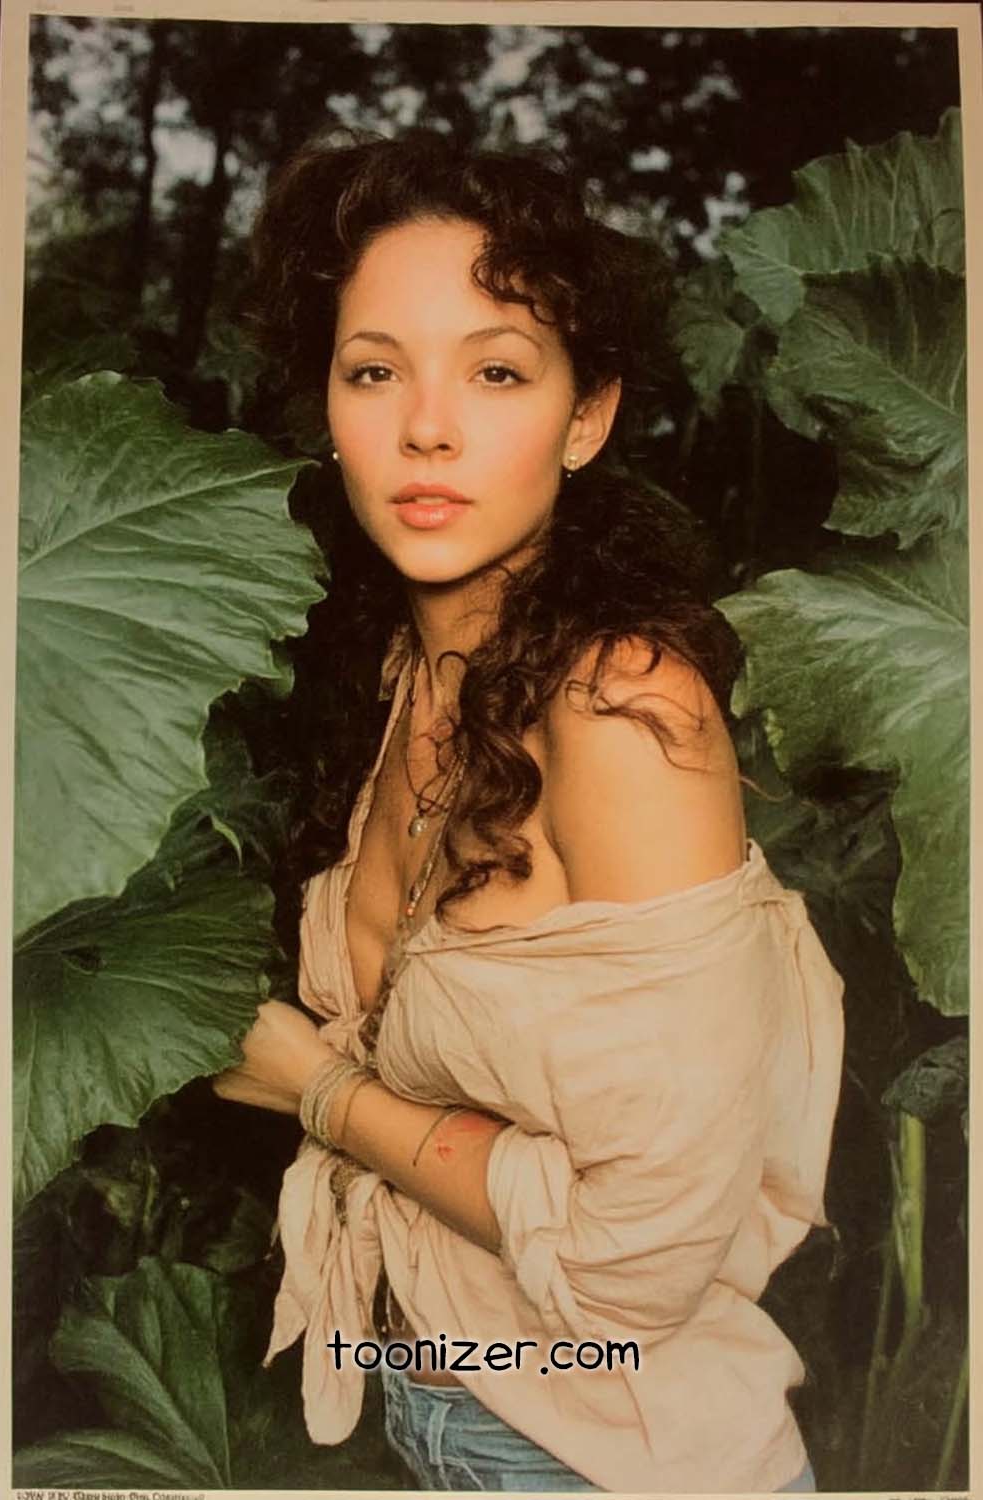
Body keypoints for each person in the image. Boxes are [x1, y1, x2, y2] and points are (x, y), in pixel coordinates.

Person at [213, 132, 844, 1494]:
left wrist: (318, 1090)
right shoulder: (404, 673)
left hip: (612, 1460)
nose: (424, 427)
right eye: (374, 370)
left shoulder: (625, 712)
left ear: (586, 415)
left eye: (496, 370)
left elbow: (641, 1260)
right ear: (326, 402)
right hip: (432, 1418)